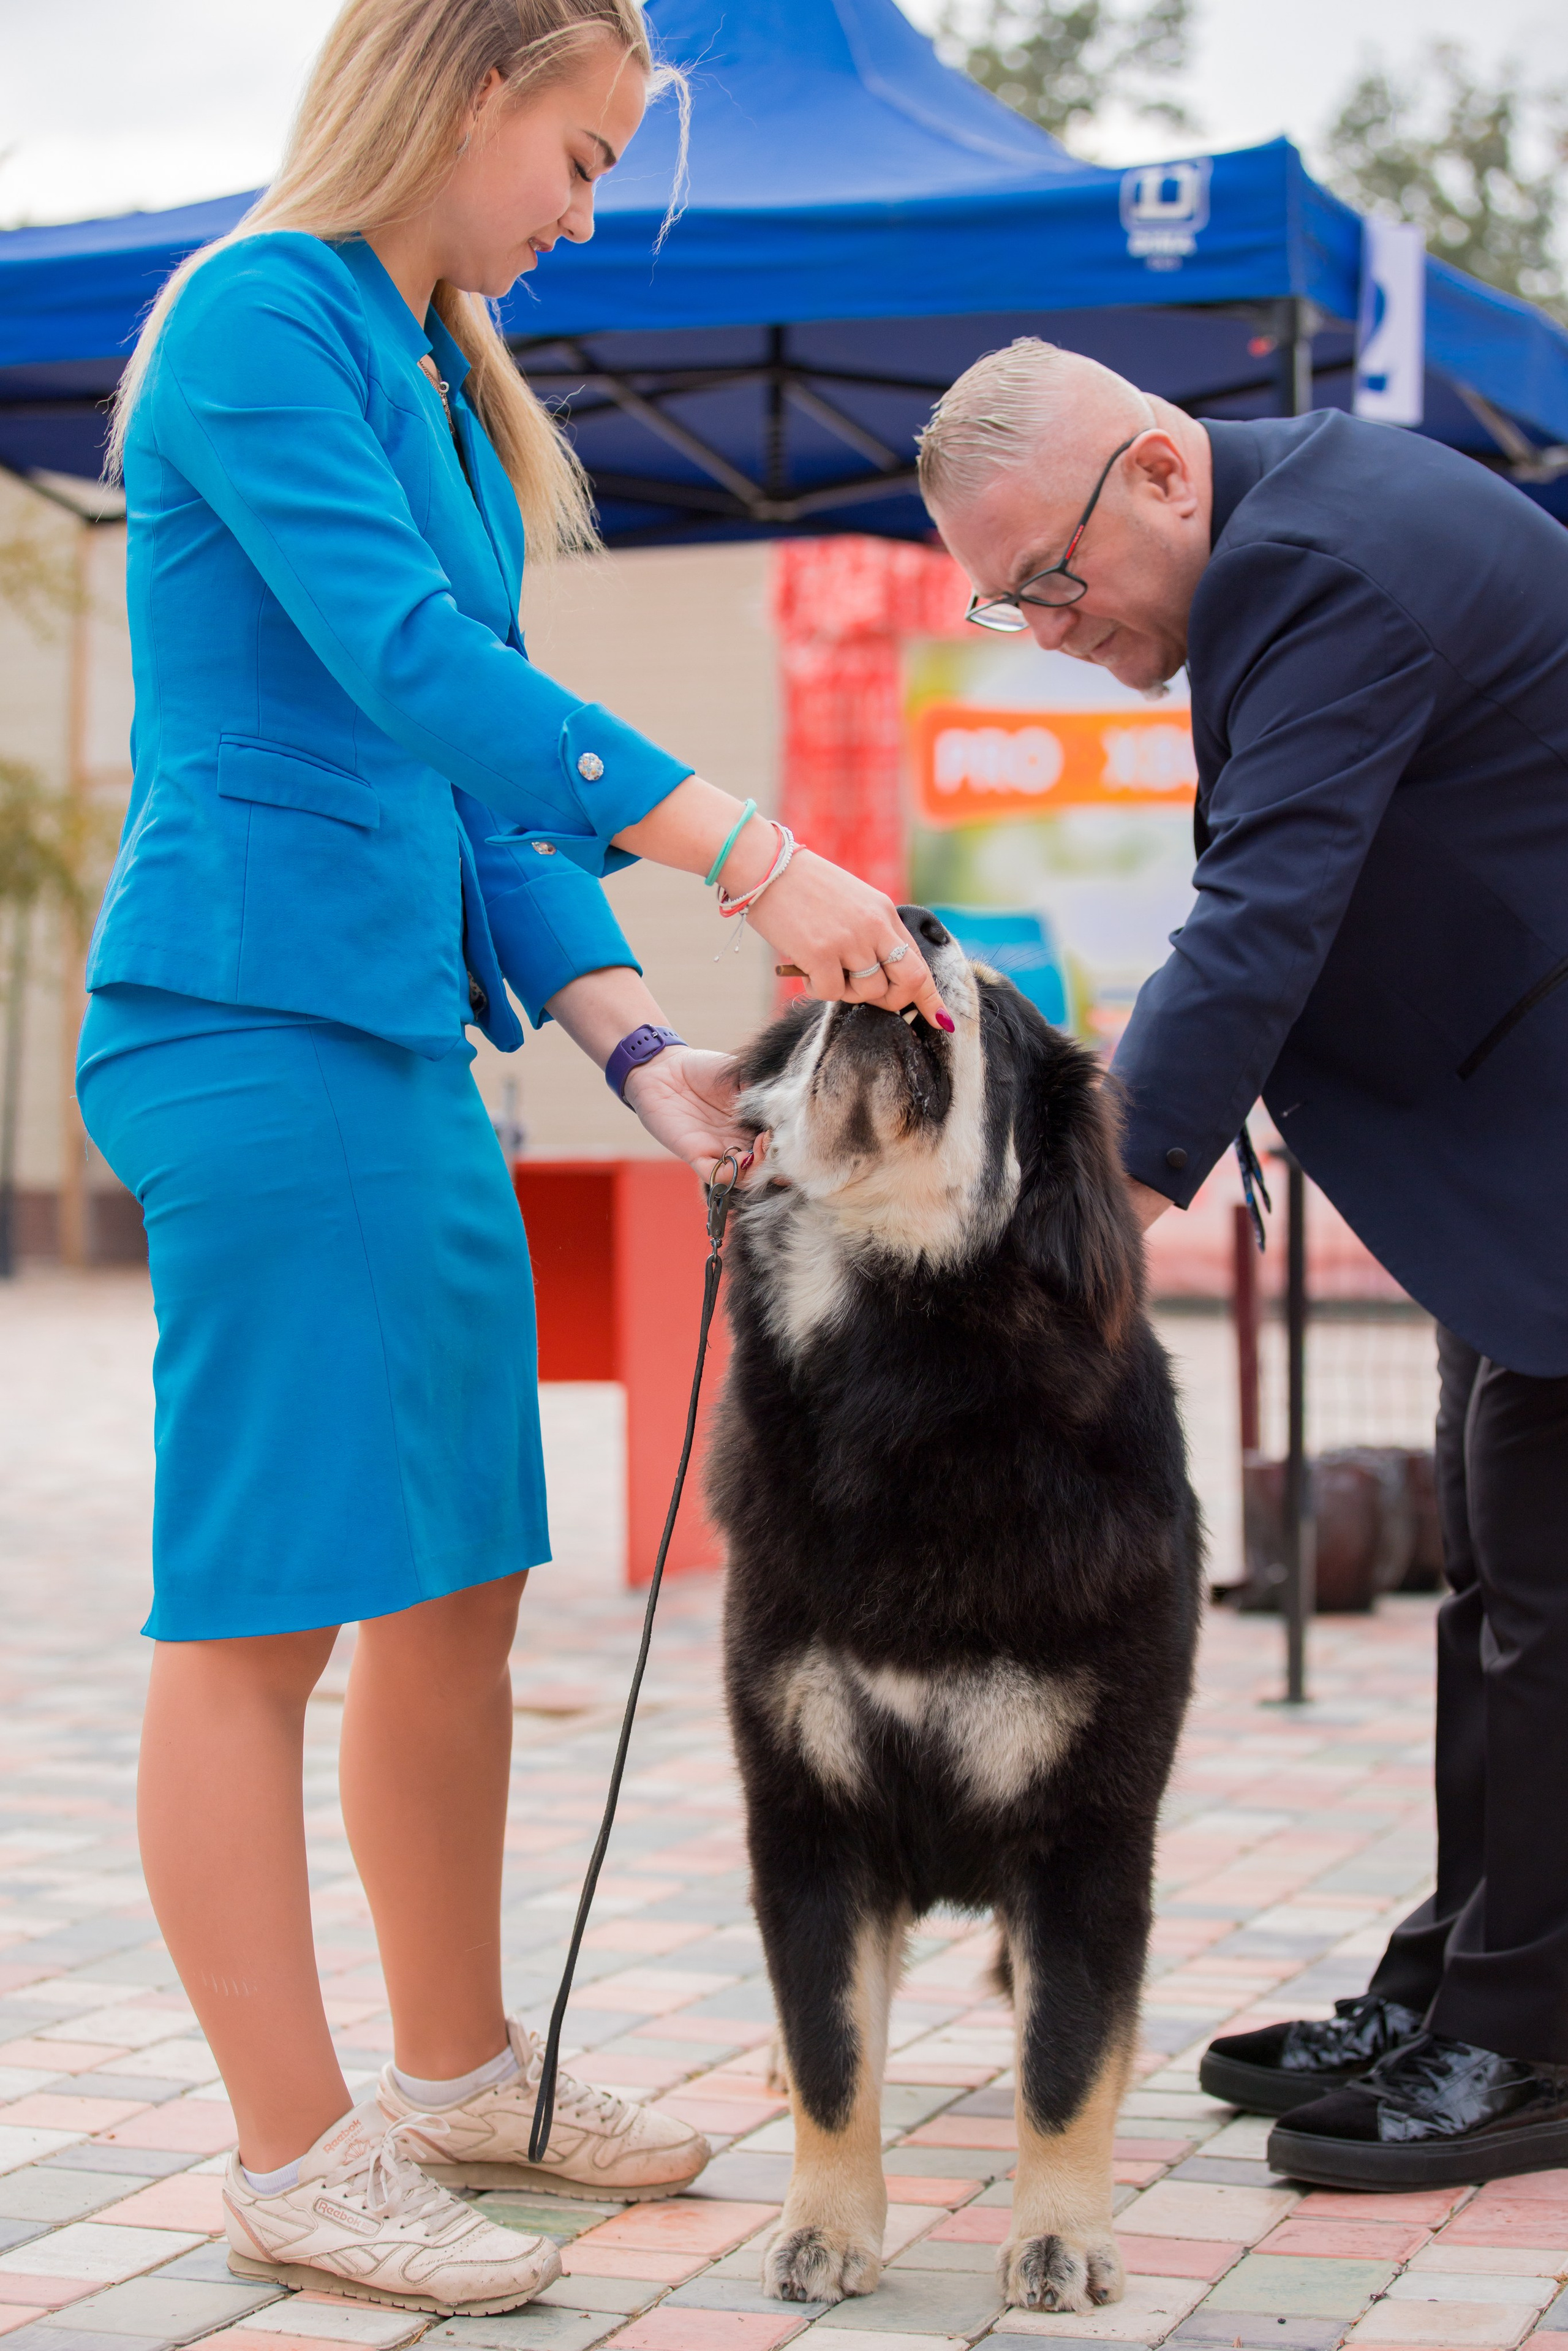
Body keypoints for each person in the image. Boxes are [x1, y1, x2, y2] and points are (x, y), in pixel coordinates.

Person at [83, 0, 954, 2317]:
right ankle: (295, 2151)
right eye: (574, 157)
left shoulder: (441, 372)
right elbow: (400, 668)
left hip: (387, 1041)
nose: (581, 215)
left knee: (458, 1573)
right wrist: (760, 858)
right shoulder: (265, 316)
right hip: (249, 1022)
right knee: (263, 1607)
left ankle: (465, 2074)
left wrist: (646, 1042)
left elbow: (477, 787)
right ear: (466, 87)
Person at [916, 338, 1568, 2191]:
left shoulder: (1320, 560)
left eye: (1049, 579)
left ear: (1161, 478)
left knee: (1545, 1605)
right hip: (1515, 1157)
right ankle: (1463, 1989)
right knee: (1500, 1585)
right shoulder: (1311, 526)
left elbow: (1266, 909)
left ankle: (1526, 2044)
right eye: (1001, 601)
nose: (1041, 627)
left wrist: (1062, 1240)